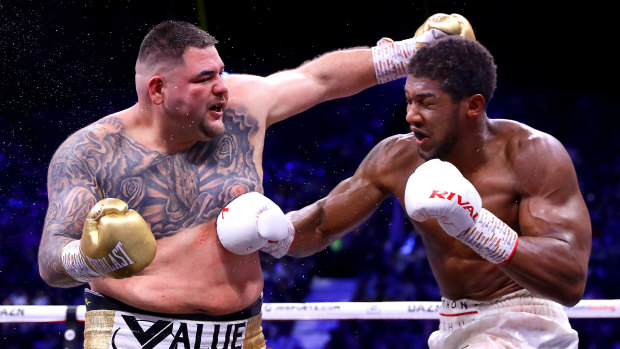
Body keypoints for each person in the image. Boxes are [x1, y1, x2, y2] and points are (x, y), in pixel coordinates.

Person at [37, 15, 475, 348]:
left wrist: (413, 51)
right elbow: (51, 258)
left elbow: (318, 79)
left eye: (221, 73)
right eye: (205, 79)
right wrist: (88, 259)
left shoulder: (244, 106)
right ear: (157, 90)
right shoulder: (90, 151)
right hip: (130, 332)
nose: (222, 88)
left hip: (241, 333)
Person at [221, 36, 591, 348]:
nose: (411, 114)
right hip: (453, 321)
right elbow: (321, 225)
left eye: (427, 102)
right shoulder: (396, 156)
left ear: (473, 105)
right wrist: (278, 232)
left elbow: (570, 281)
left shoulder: (531, 154)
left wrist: (476, 226)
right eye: (409, 99)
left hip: (525, 318)